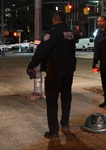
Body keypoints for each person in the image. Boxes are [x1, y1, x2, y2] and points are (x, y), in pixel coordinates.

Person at [26, 11, 77, 140]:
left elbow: (42, 51)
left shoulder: (52, 33)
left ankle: (54, 132)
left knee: (52, 101)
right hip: (68, 72)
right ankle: (65, 124)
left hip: (55, 71)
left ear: (55, 20)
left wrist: (32, 65)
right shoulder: (71, 33)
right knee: (66, 98)